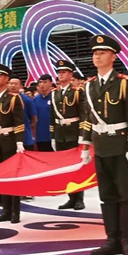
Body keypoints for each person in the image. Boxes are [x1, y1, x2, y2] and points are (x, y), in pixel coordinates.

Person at [81, 35, 128, 255]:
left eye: (102, 53)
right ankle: (111, 239)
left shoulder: (125, 82)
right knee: (106, 195)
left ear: (113, 56)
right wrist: (85, 145)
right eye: (95, 53)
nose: (97, 56)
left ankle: (126, 241)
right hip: (101, 146)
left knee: (125, 195)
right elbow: (88, 117)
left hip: (121, 145)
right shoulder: (89, 85)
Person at [0, 63, 25, 224]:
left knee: (13, 178)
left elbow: (19, 122)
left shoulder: (13, 98)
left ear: (6, 78)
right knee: (2, 177)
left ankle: (15, 211)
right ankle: (6, 210)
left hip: (10, 140)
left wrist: (19, 142)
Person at [51, 61, 87, 210]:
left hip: (73, 133)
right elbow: (52, 116)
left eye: (64, 72)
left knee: (77, 168)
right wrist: (53, 136)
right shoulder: (55, 93)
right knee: (65, 168)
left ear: (70, 74)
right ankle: (71, 198)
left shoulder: (77, 92)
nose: (60, 74)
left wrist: (82, 134)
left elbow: (84, 114)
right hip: (60, 133)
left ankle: (79, 199)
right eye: (59, 72)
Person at [33, 74, 53, 151]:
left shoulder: (54, 96)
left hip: (53, 134)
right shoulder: (35, 99)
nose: (42, 84)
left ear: (51, 83)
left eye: (45, 82)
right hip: (40, 135)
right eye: (40, 82)